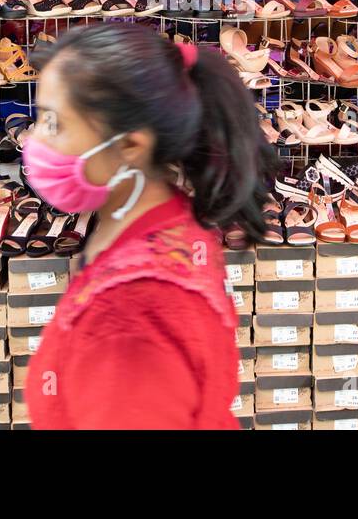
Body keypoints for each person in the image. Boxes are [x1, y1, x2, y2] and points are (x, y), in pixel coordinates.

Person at [25, 23, 278, 429]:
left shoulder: (128, 320)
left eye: (53, 123)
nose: (32, 139)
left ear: (130, 145)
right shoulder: (169, 218)